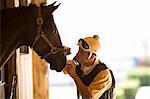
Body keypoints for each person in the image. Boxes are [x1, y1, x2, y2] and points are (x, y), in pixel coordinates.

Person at [64, 35, 115, 99]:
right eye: (79, 50)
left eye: (82, 52)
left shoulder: (104, 74)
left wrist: (74, 75)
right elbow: (60, 65)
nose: (77, 54)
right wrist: (60, 54)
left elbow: (89, 97)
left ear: (92, 56)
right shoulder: (77, 65)